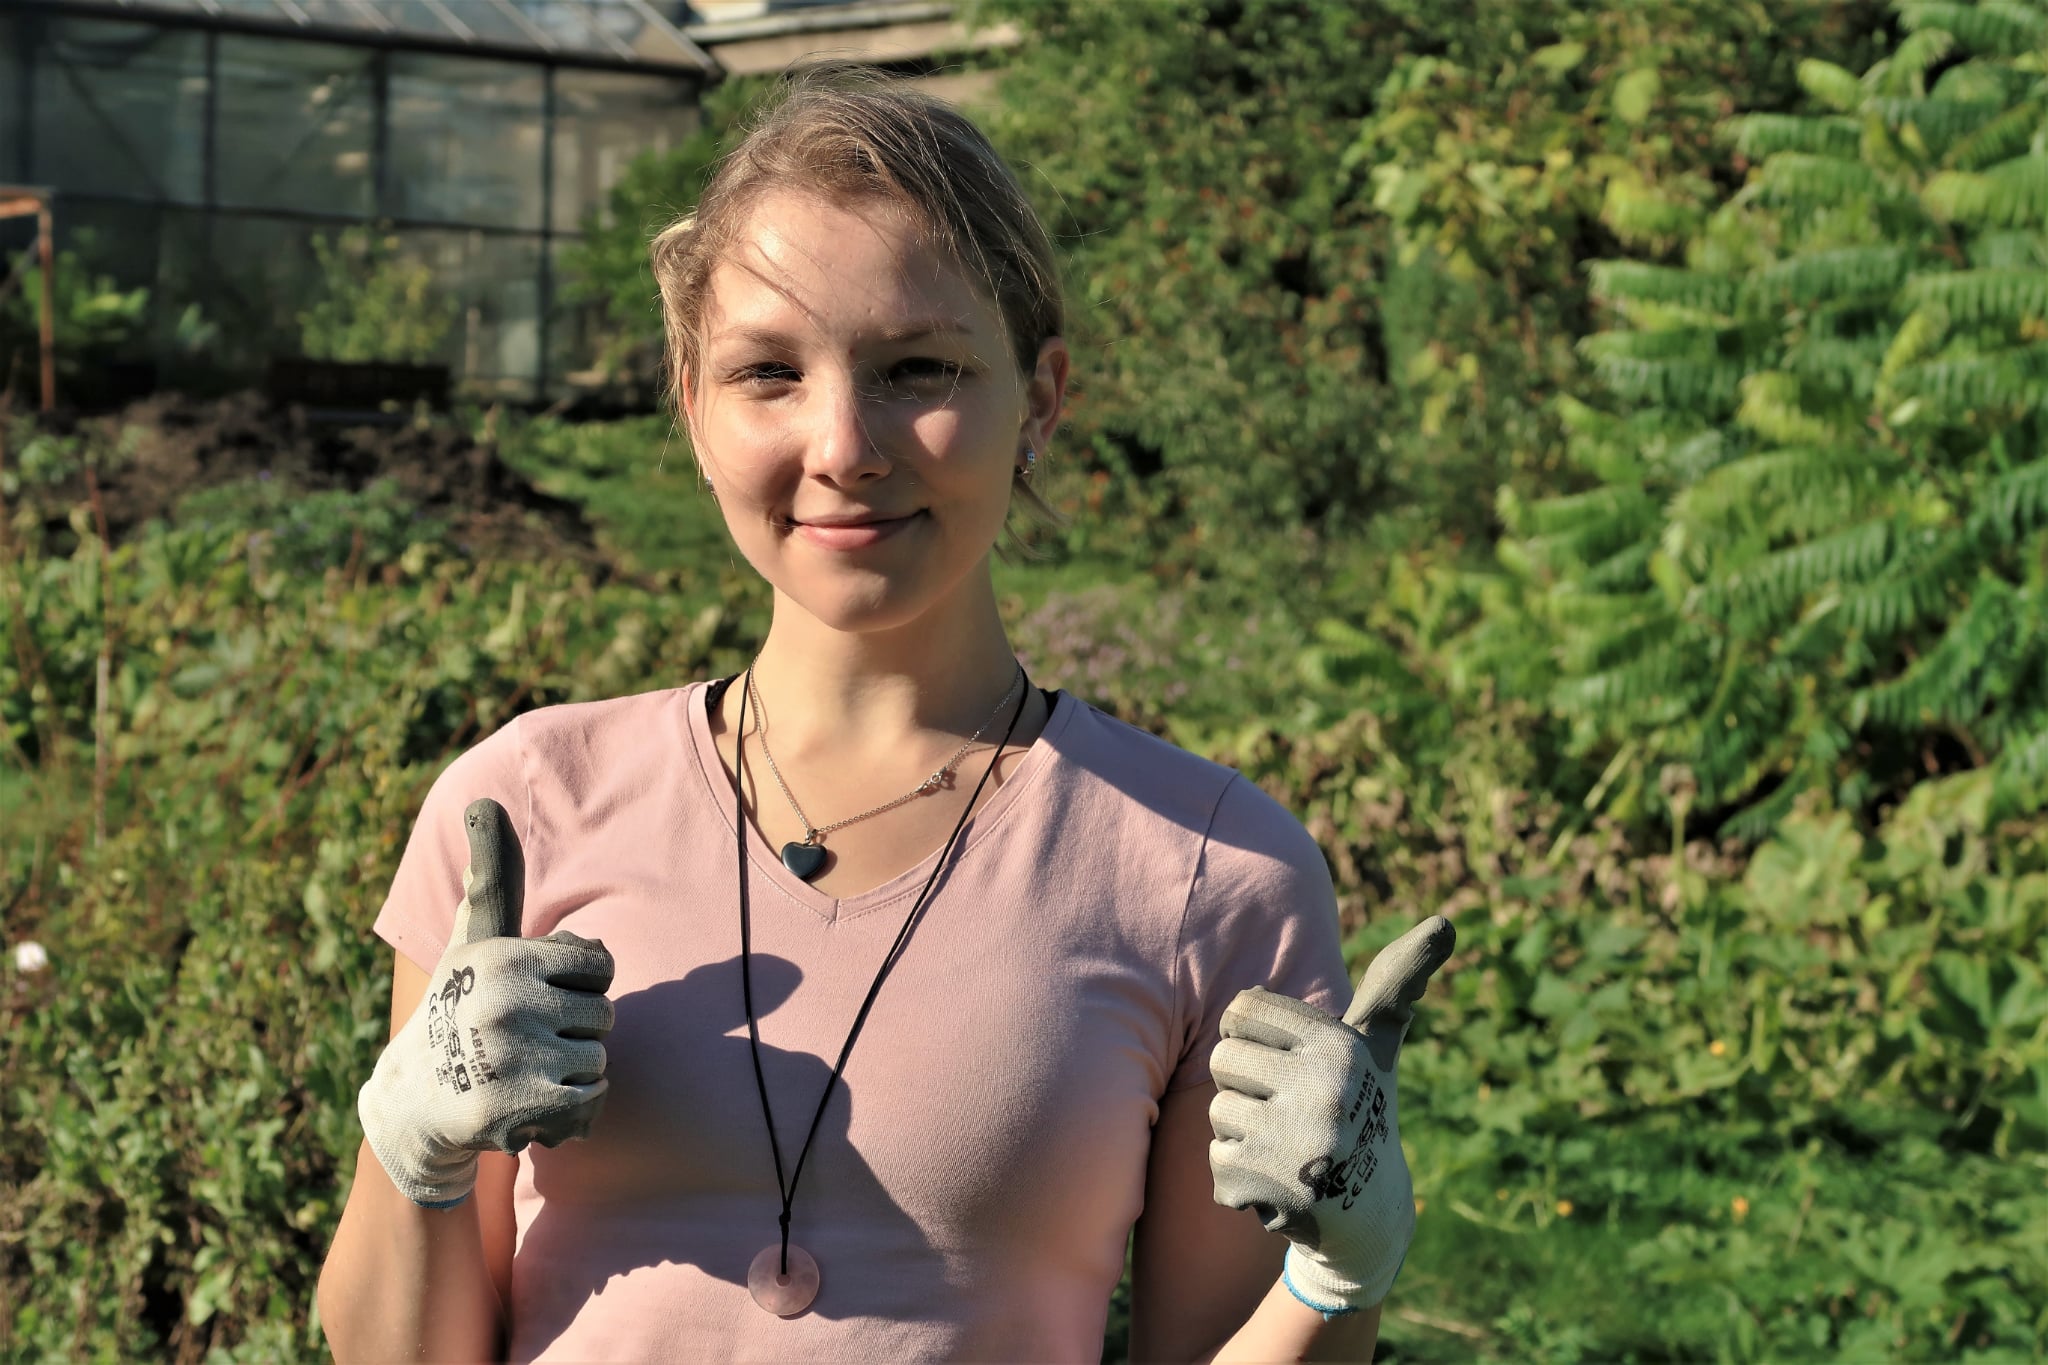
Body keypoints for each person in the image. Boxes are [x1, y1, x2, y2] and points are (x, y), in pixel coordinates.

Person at [316, 68, 1452, 1364]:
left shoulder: (1209, 872)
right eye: (769, 372)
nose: (845, 444)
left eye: (919, 367)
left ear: (1042, 396)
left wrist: (1332, 1278)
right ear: (692, 402)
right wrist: (411, 1146)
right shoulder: (525, 807)